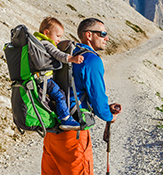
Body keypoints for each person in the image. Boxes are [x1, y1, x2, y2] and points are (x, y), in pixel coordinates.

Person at [41, 18, 122, 175]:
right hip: (73, 135)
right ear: (89, 35)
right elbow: (98, 101)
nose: (107, 38)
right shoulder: (91, 60)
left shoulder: (66, 53)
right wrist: (109, 116)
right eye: (103, 33)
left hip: (51, 134)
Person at [34, 16, 84, 131]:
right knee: (59, 95)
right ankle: (65, 118)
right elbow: (58, 54)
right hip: (45, 79)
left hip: (38, 79)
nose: (59, 40)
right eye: (58, 36)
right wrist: (71, 58)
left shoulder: (37, 43)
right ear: (46, 33)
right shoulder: (46, 44)